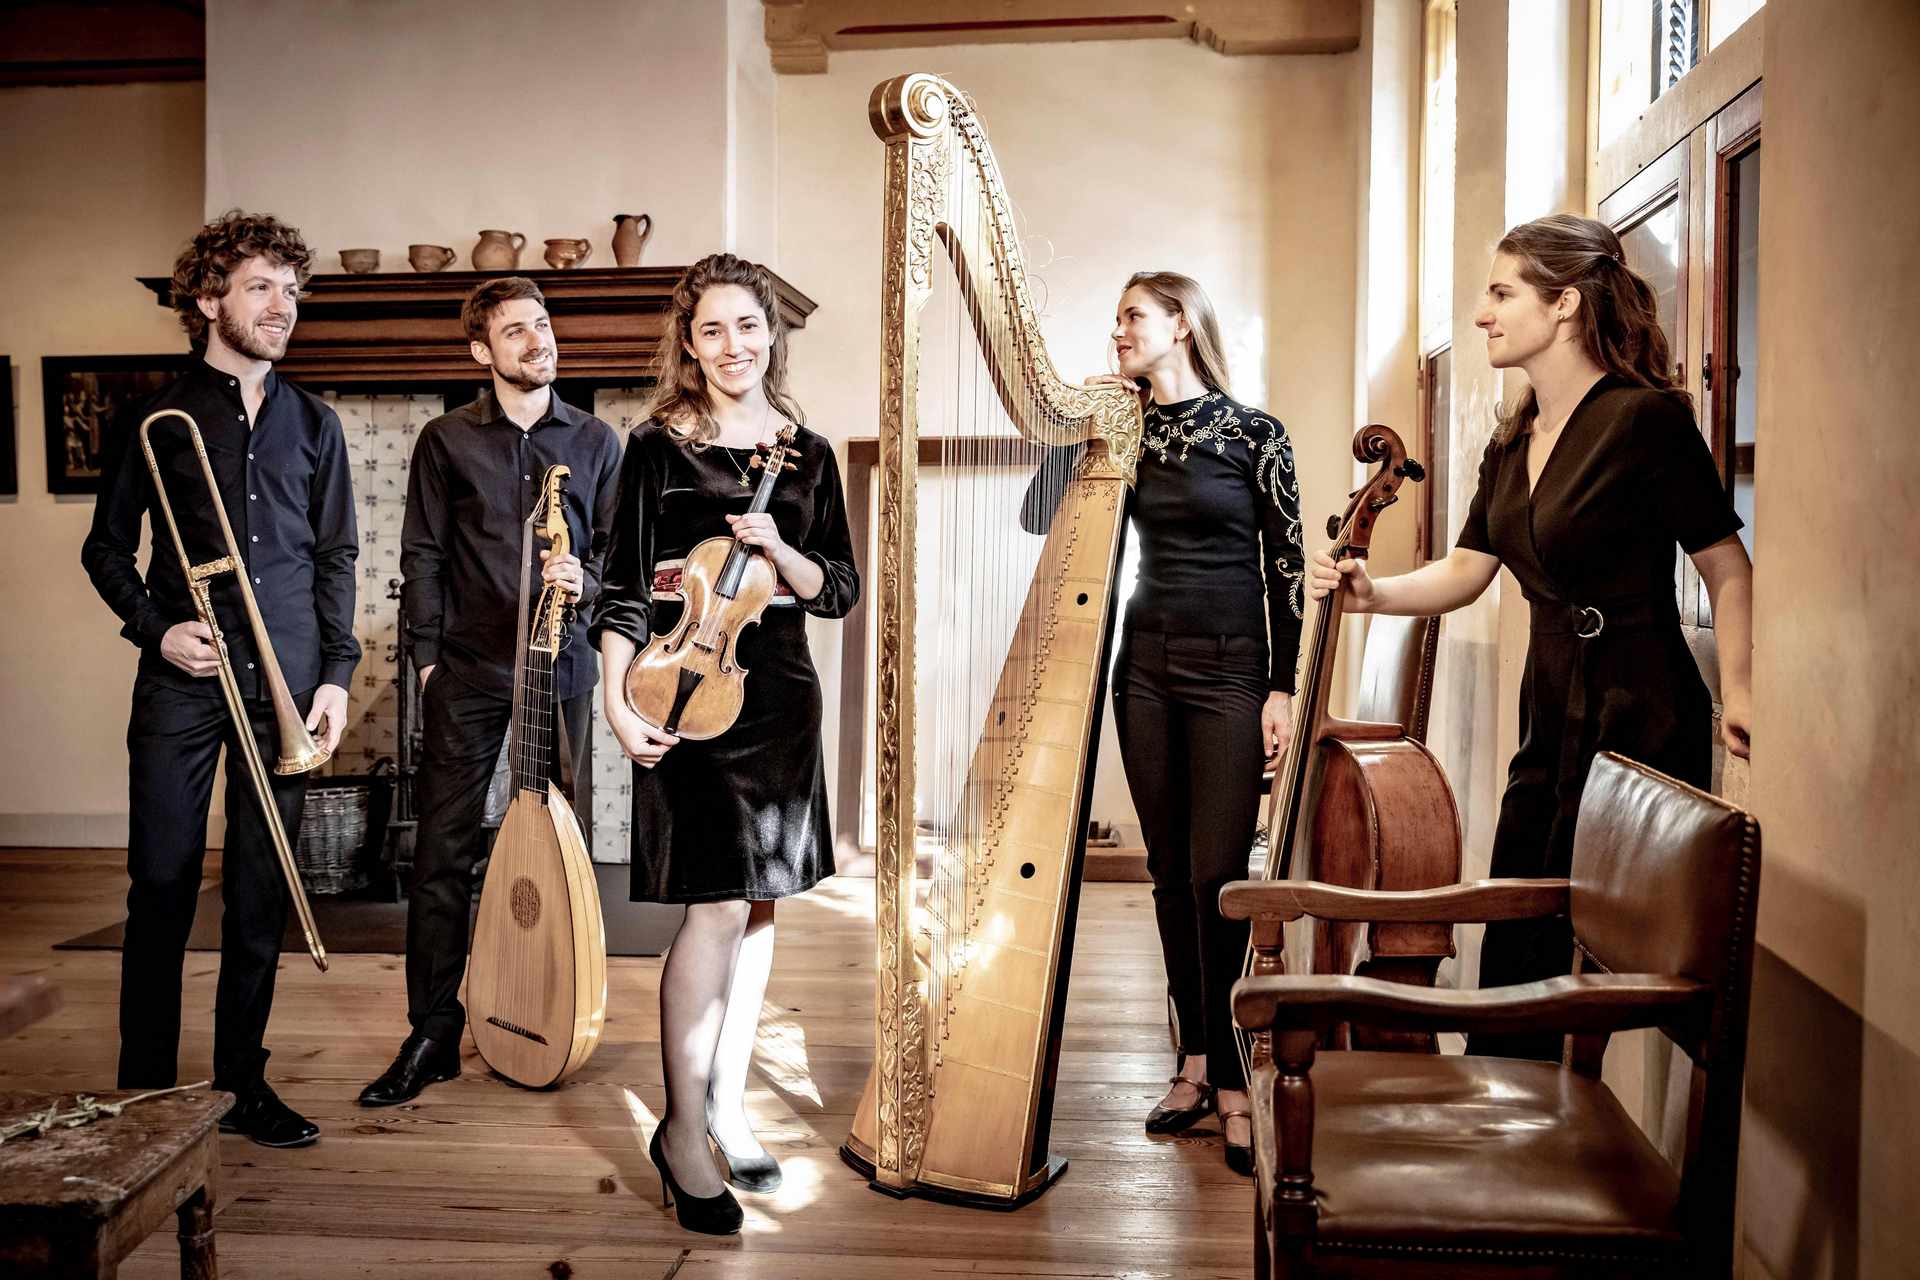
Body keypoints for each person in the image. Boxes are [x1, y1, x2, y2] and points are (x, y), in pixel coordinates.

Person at [1308, 213, 1754, 1061]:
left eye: (1501, 293)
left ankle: (1548, 1118)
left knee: (1601, 961)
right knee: (1517, 940)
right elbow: (1467, 569)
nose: (1483, 313)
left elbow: (1727, 568)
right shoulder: (1513, 438)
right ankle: (1507, 1109)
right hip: (1550, 709)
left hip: (1641, 710)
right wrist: (1371, 594)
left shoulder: (1646, 419)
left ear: (1566, 304)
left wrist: (1739, 690)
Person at [593, 253, 859, 1234]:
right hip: (684, 693)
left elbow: (837, 587)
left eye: (748, 325)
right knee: (713, 905)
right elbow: (622, 587)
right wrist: (617, 701)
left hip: (778, 692)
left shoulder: (809, 454)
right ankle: (681, 1130)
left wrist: (783, 550)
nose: (732, 344)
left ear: (771, 334)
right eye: (712, 329)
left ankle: (729, 1106)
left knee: (758, 906)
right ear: (690, 343)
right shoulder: (655, 448)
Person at [81, 209, 358, 1148]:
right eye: (261, 288)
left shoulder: (315, 423)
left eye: (292, 291)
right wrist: (157, 631)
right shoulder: (155, 417)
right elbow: (105, 550)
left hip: (289, 683)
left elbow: (335, 557)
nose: (283, 307)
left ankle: (242, 1082)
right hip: (184, 684)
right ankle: (147, 1098)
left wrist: (335, 676)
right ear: (208, 300)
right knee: (161, 885)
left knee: (259, 890)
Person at [1031, 271, 1304, 1176]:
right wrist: (1079, 426)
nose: (1118, 332)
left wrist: (1282, 689)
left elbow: (1288, 569)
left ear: (1181, 323)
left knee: (1218, 875)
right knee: (1166, 872)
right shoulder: (1124, 431)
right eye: (1116, 318)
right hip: (1142, 668)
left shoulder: (1254, 433)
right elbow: (1035, 515)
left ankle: (1232, 1079)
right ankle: (1193, 1061)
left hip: (1232, 671)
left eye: (1133, 317)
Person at [359, 277, 622, 1106]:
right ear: (482, 350)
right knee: (442, 853)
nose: (539, 340)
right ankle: (433, 1031)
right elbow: (423, 555)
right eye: (516, 331)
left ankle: (553, 1010)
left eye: (543, 324)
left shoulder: (598, 440)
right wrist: (428, 663)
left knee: (560, 852)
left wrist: (587, 580)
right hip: (466, 674)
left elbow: (619, 555)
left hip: (561, 668)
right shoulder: (445, 439)